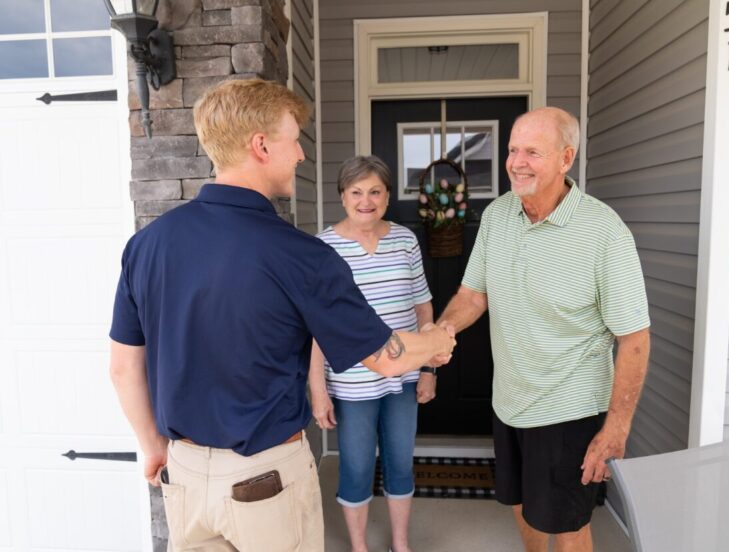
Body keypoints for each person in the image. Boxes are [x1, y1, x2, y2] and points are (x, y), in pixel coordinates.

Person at [108, 79, 455, 552]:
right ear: (261, 145)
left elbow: (123, 366)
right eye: (294, 140)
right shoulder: (301, 255)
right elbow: (387, 358)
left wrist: (152, 446)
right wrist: (437, 342)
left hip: (183, 476)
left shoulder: (146, 245)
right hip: (264, 483)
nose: (301, 155)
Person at [436, 107, 650, 552]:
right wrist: (442, 331)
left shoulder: (604, 233)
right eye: (513, 150)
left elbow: (634, 339)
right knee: (521, 504)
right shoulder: (498, 215)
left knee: (568, 525)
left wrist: (616, 428)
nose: (516, 162)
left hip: (568, 409)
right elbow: (475, 294)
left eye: (532, 152)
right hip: (510, 401)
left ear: (565, 158)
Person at [308, 155, 436, 552]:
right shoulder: (323, 248)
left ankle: (401, 543)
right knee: (357, 466)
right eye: (356, 192)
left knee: (400, 462)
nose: (366, 201)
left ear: (387, 195)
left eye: (375, 191)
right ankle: (360, 546)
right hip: (350, 381)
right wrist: (318, 389)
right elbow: (314, 328)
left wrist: (430, 368)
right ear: (343, 197)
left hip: (404, 375)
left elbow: (422, 308)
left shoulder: (405, 240)